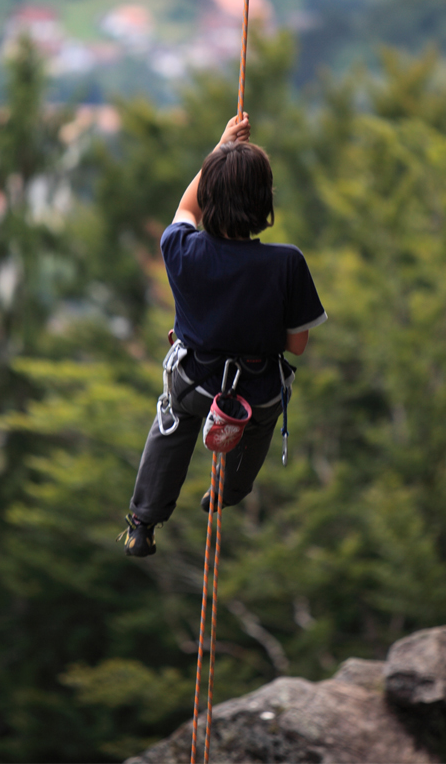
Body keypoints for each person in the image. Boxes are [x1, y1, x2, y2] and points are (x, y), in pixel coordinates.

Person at [119, 113, 327, 556]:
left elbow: (186, 210)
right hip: (256, 391)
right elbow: (297, 346)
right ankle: (230, 491)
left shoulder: (182, 251)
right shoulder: (287, 263)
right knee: (259, 425)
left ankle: (143, 521)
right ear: (265, 203)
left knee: (172, 422)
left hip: (196, 381)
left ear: (212, 194)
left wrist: (218, 150)